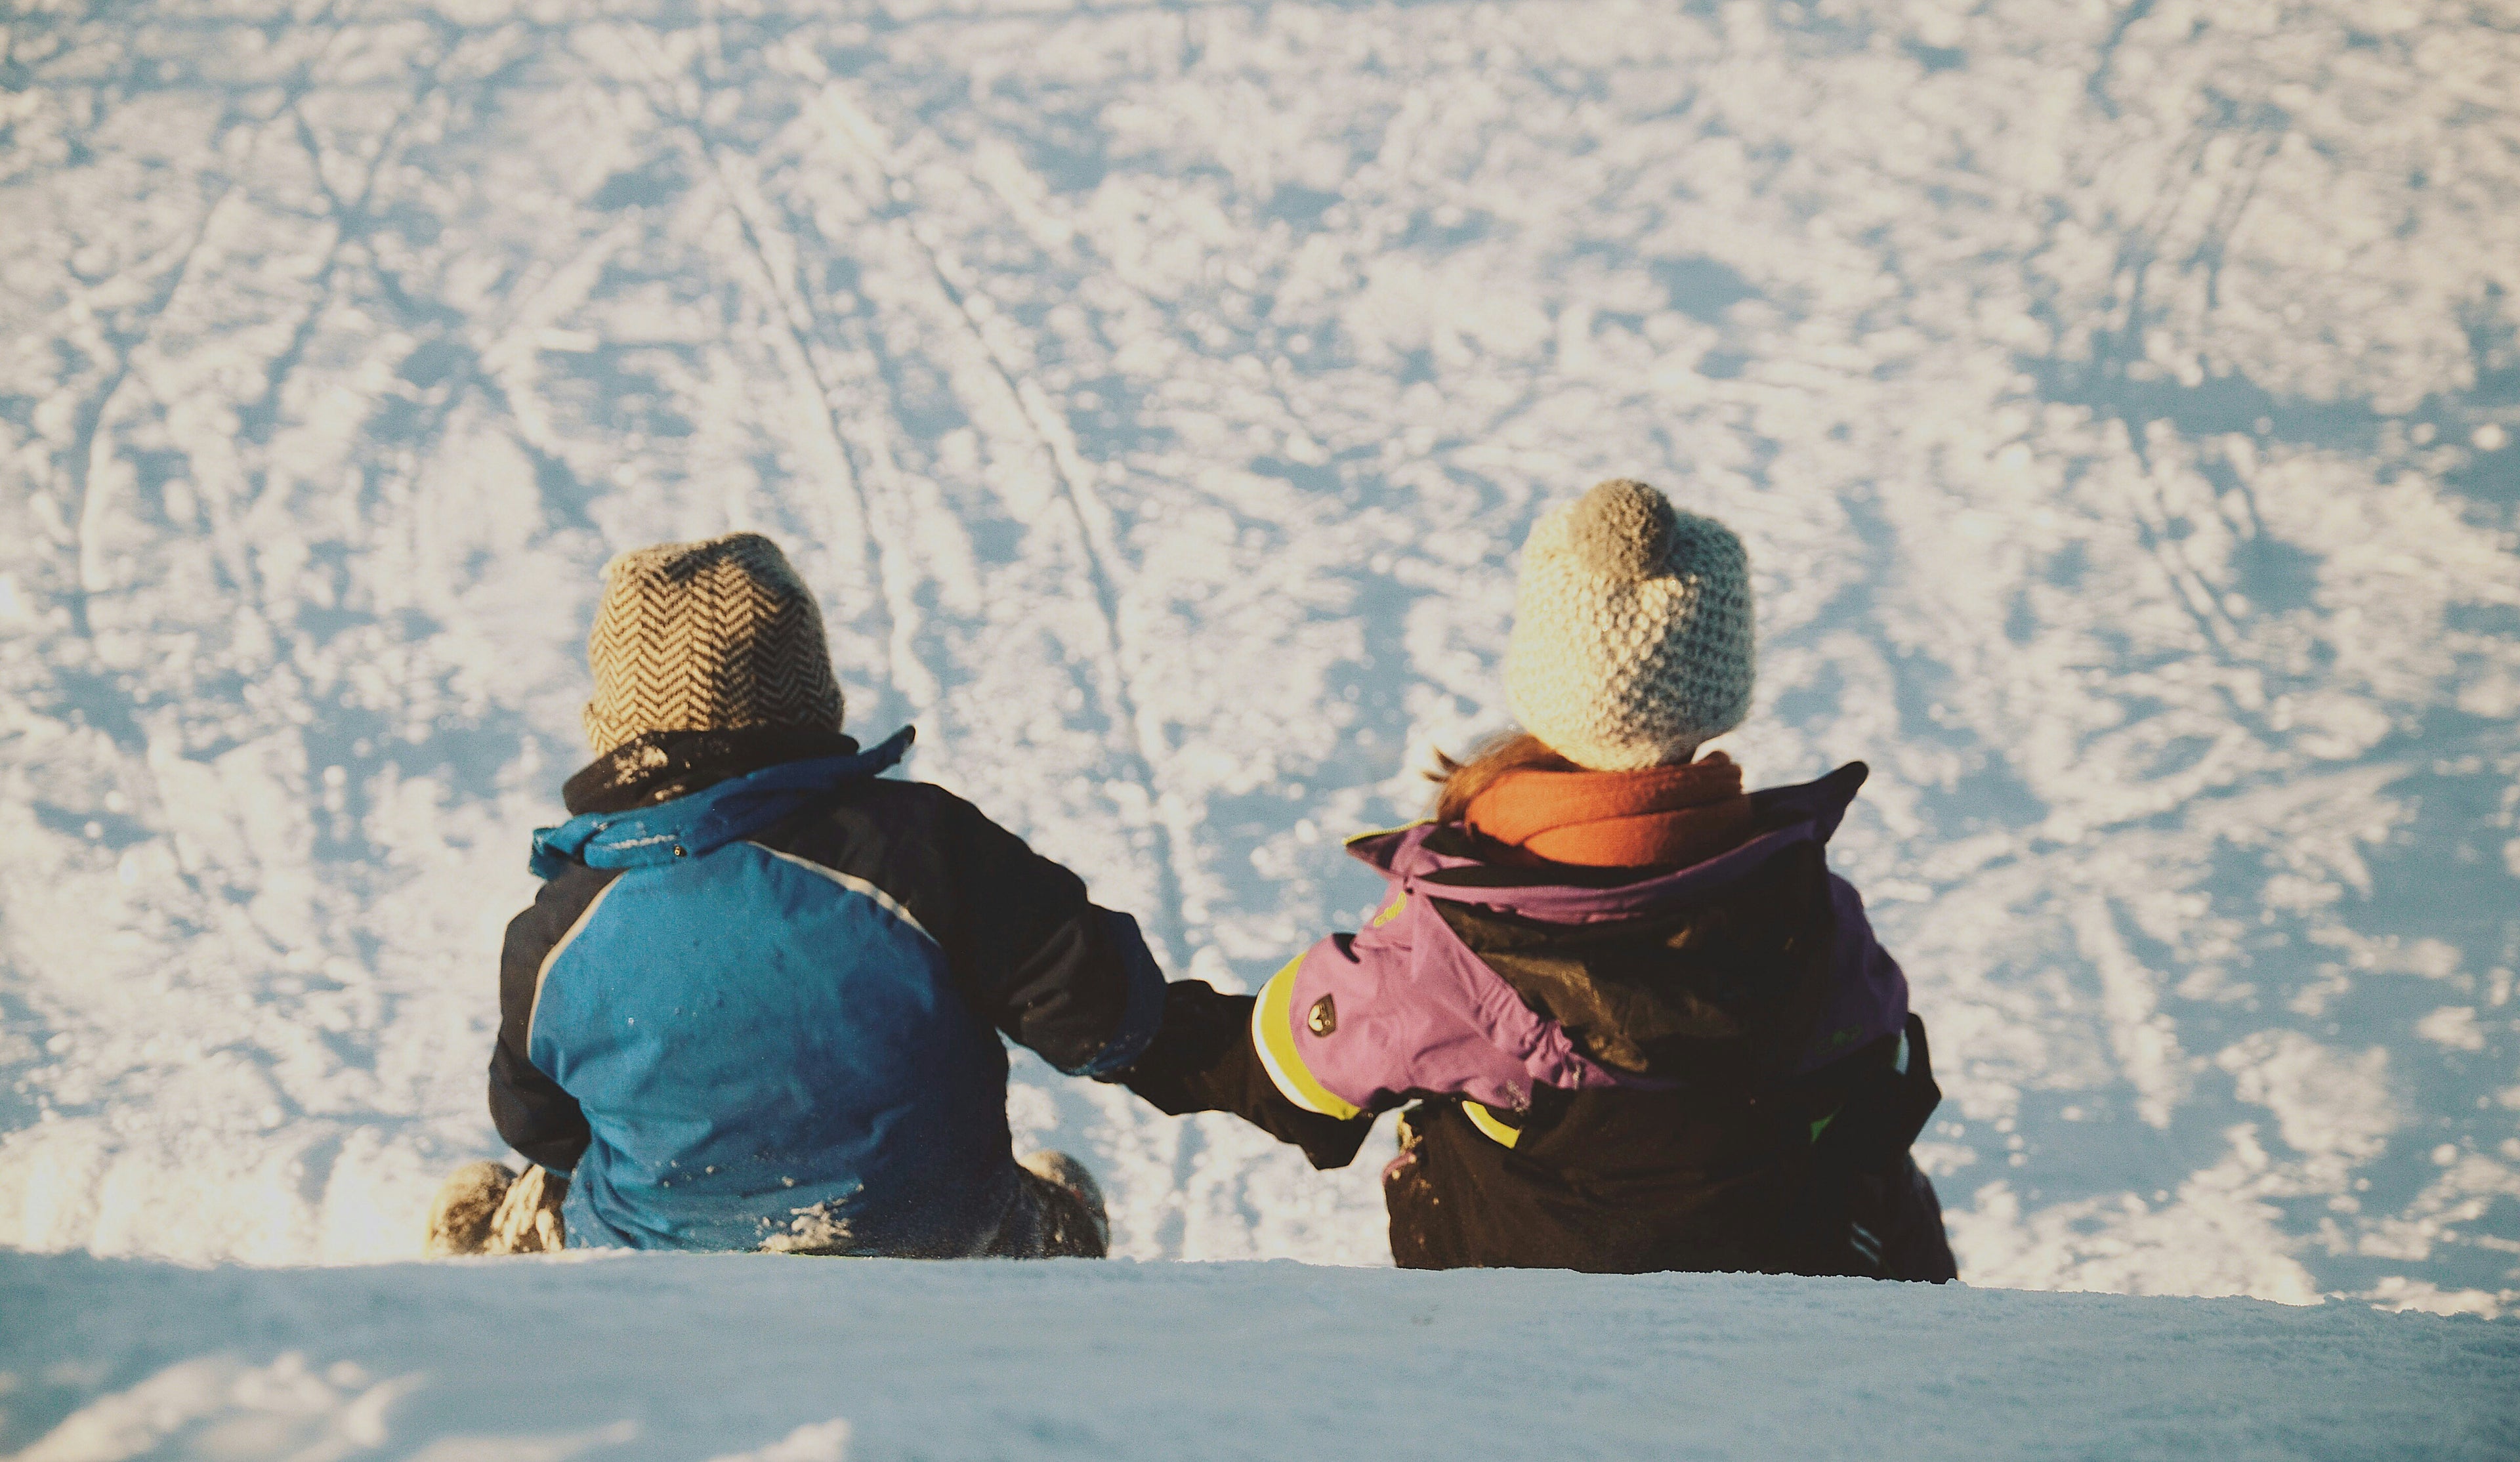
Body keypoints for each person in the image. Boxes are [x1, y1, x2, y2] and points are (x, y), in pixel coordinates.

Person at [1122, 480, 1958, 1278]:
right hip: (1767, 1283)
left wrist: (1117, 1019)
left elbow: (1286, 1068)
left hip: (1522, 1310)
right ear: (1720, 686)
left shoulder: (1445, 951)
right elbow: (1879, 1086)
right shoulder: (1812, 914)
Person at [424, 532, 1160, 1259]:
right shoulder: (919, 849)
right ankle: (1059, 1238)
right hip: (936, 1242)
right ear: (813, 695)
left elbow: (538, 1126)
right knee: (1049, 1195)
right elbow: (1103, 1014)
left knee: (553, 1183)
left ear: (616, 726)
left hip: (659, 1259)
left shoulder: (560, 925)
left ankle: (505, 1241)